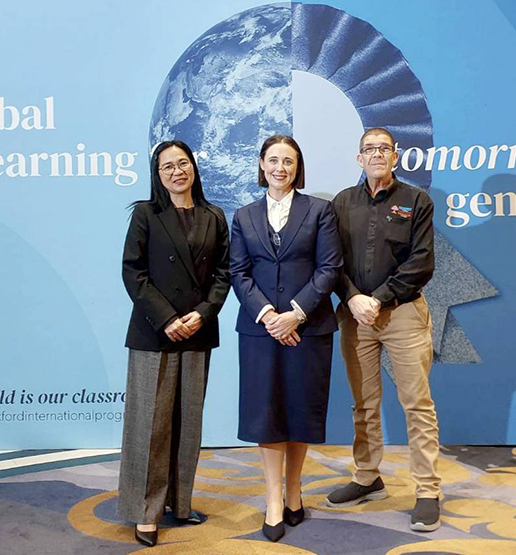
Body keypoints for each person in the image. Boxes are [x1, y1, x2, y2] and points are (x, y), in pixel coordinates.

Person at [328, 127, 442, 532]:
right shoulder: (342, 203)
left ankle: (427, 490)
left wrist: (378, 298)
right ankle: (367, 477)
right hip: (355, 316)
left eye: (384, 148)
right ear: (359, 158)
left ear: (395, 156)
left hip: (403, 313)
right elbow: (332, 261)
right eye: (369, 149)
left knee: (417, 404)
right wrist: (353, 298)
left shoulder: (417, 201)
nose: (377, 154)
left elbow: (421, 262)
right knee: (363, 403)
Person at [230, 134, 343, 542]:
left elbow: (330, 268)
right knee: (267, 414)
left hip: (307, 328)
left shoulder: (320, 211)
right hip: (260, 331)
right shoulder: (243, 216)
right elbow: (238, 272)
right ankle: (274, 500)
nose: (281, 168)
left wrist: (295, 314)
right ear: (262, 164)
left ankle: (294, 490)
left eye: (289, 161)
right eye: (273, 160)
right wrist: (268, 316)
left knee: (299, 412)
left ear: (298, 167)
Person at [118, 140, 230, 548]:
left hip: (197, 330)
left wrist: (203, 312)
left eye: (183, 163)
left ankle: (180, 504)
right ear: (158, 174)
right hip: (155, 332)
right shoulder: (145, 214)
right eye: (168, 167)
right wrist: (166, 318)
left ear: (193, 168)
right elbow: (133, 273)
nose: (177, 171)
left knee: (187, 423)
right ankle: (145, 512)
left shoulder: (214, 215)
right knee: (150, 424)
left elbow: (224, 273)